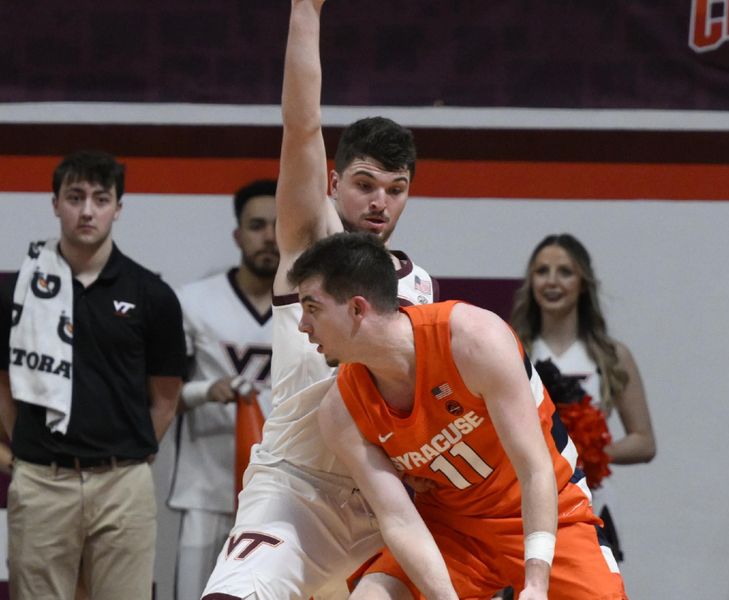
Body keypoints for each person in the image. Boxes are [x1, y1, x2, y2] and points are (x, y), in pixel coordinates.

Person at [200, 1, 437, 599]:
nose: (380, 201)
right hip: (297, 488)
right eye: (364, 184)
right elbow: (302, 126)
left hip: (384, 502)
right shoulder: (314, 243)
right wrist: (306, 11)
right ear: (333, 183)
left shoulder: (422, 286)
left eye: (395, 188)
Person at [289, 232, 626, 600]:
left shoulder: (474, 339)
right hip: (452, 530)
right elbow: (399, 519)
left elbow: (536, 469)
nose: (302, 324)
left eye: (312, 307)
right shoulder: (340, 412)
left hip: (549, 514)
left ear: (356, 308)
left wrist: (536, 584)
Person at [0, 150, 185, 599]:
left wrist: (128, 455)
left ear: (118, 207)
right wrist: (30, 451)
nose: (87, 210)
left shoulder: (152, 294)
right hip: (42, 480)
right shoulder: (17, 289)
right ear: (55, 203)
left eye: (101, 199)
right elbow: (4, 384)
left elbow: (165, 396)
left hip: (123, 481)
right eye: (75, 196)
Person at [509, 233, 656, 560]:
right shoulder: (512, 349)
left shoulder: (611, 355)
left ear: (584, 282)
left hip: (592, 500)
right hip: (524, 500)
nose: (552, 281)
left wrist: (591, 453)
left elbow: (644, 441)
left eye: (565, 271)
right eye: (542, 271)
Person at [168, 179, 278, 600]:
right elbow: (158, 399)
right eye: (256, 225)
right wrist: (204, 391)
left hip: (281, 495)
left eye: (276, 225)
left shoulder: (309, 308)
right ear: (238, 234)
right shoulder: (192, 302)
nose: (268, 236)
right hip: (205, 490)